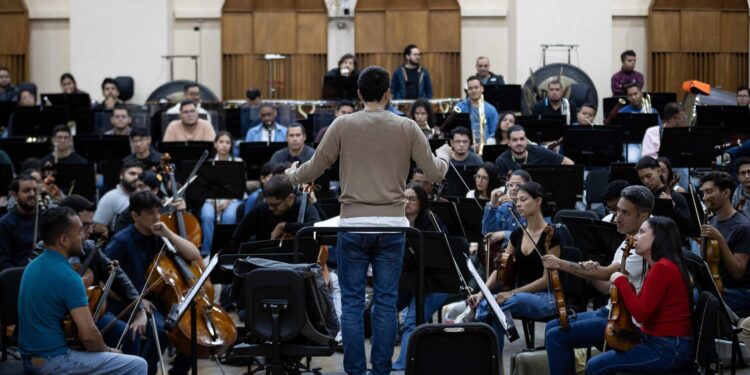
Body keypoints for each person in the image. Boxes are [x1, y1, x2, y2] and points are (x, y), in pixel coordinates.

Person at [285, 65, 451, 375]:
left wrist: (291, 175)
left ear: (359, 94)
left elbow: (312, 168)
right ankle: (381, 372)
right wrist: (443, 154)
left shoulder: (343, 125)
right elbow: (435, 173)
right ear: (389, 94)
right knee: (386, 304)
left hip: (354, 225)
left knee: (351, 303)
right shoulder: (408, 127)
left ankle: (355, 372)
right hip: (392, 226)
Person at [18, 206, 147, 375]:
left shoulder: (31, 266)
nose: (85, 236)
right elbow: (88, 335)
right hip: (54, 361)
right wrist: (108, 350)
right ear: (64, 239)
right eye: (79, 232)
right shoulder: (69, 277)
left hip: (30, 358)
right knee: (138, 365)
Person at [542, 185, 654, 375]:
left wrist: (561, 264)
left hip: (626, 323)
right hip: (611, 310)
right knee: (551, 326)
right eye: (616, 210)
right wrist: (589, 270)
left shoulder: (642, 246)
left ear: (643, 216)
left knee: (556, 337)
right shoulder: (629, 238)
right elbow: (604, 288)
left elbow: (605, 274)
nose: (617, 217)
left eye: (625, 213)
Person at [104, 191, 200, 375]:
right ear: (135, 216)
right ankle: (146, 370)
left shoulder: (160, 235)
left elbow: (193, 255)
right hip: (128, 303)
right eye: (150, 213)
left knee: (191, 329)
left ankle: (178, 371)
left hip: (157, 301)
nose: (157, 217)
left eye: (158, 211)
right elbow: (105, 281)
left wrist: (168, 233)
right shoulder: (121, 241)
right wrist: (135, 301)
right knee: (162, 329)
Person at [586, 216, 693, 374]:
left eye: (642, 232)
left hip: (667, 348)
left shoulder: (661, 269)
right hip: (662, 342)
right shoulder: (661, 266)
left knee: (595, 366)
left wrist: (622, 281)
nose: (635, 237)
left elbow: (641, 314)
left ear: (658, 238)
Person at [468, 182, 560, 354]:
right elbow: (501, 269)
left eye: (523, 200)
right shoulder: (518, 234)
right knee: (488, 305)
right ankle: (492, 360)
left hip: (548, 297)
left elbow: (546, 280)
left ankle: (489, 357)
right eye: (516, 200)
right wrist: (481, 294)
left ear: (538, 200)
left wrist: (512, 293)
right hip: (520, 296)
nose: (518, 204)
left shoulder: (552, 235)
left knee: (496, 306)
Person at [58, 195, 146, 357]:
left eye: (91, 225)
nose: (90, 231)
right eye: (83, 226)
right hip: (58, 319)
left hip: (91, 312)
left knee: (128, 335)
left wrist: (139, 308)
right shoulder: (45, 251)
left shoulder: (89, 247)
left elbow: (119, 278)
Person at [392, 183, 448, 371]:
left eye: (412, 199)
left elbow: (442, 258)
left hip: (435, 282)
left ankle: (403, 367)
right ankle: (382, 358)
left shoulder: (432, 222)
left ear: (422, 203)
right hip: (410, 280)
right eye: (404, 198)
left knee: (412, 321)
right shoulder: (396, 222)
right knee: (382, 308)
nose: (407, 202)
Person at [699, 171, 750, 316]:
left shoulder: (743, 226)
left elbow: (738, 272)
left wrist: (719, 239)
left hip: (738, 291)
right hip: (717, 285)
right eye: (703, 193)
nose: (705, 198)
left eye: (709, 192)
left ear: (726, 193)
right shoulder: (713, 221)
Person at [230, 175, 320, 249]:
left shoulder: (302, 206)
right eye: (268, 204)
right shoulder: (262, 208)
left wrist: (285, 226)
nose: (270, 208)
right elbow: (237, 239)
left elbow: (316, 226)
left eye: (274, 205)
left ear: (290, 198)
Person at [200, 131, 244, 255]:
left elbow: (239, 187)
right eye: (221, 142)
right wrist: (214, 200)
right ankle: (208, 251)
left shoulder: (239, 161)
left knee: (229, 216)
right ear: (215, 144)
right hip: (211, 199)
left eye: (227, 142)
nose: (224, 145)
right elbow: (204, 187)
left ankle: (225, 250)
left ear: (231, 145)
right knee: (207, 215)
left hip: (233, 199)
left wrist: (227, 201)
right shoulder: (209, 163)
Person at [635, 156, 691, 237]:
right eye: (642, 178)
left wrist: (673, 206)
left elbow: (688, 227)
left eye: (649, 176)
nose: (646, 181)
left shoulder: (675, 196)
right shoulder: (645, 198)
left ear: (658, 171)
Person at [494, 125, 574, 176]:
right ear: (508, 143)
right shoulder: (502, 161)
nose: (519, 143)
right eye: (515, 140)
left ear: (526, 140)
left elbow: (569, 163)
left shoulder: (539, 151)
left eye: (522, 139)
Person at [483, 169, 532, 248]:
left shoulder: (532, 208)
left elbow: (532, 237)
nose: (513, 188)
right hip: (503, 253)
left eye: (518, 185)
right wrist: (492, 204)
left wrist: (505, 234)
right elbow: (488, 233)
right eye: (510, 185)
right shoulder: (504, 208)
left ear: (529, 186)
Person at [0, 174, 39, 271]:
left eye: (35, 190)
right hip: (18, 275)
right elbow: (2, 259)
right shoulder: (6, 223)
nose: (32, 194)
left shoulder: (45, 217)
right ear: (15, 195)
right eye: (26, 191)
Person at [93, 161, 143, 236]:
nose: (136, 177)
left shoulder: (146, 195)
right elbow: (98, 226)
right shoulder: (111, 197)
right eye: (132, 173)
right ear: (121, 175)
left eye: (140, 175)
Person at [456, 76, 499, 147]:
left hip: (486, 146)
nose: (473, 90)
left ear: (482, 89)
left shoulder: (491, 109)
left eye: (476, 87)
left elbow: (494, 132)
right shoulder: (460, 107)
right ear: (467, 91)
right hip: (464, 145)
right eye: (470, 88)